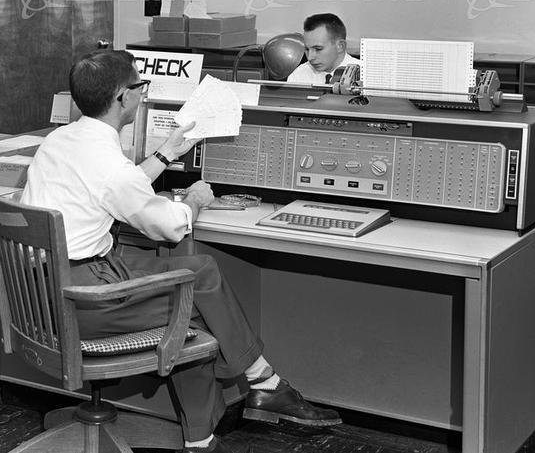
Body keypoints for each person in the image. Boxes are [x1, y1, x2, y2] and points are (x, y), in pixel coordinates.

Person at [21, 50, 340, 453]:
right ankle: (235, 408)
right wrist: (195, 200)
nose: (142, 93)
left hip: (40, 295)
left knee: (199, 279)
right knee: (196, 305)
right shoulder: (109, 165)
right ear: (123, 97)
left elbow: (113, 187)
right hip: (83, 300)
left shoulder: (59, 141)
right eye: (140, 86)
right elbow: (169, 225)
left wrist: (165, 153)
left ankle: (247, 397)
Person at [285, 12, 360, 85]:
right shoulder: (299, 75)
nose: (310, 57)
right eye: (307, 49)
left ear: (340, 46)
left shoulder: (364, 75)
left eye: (318, 49)